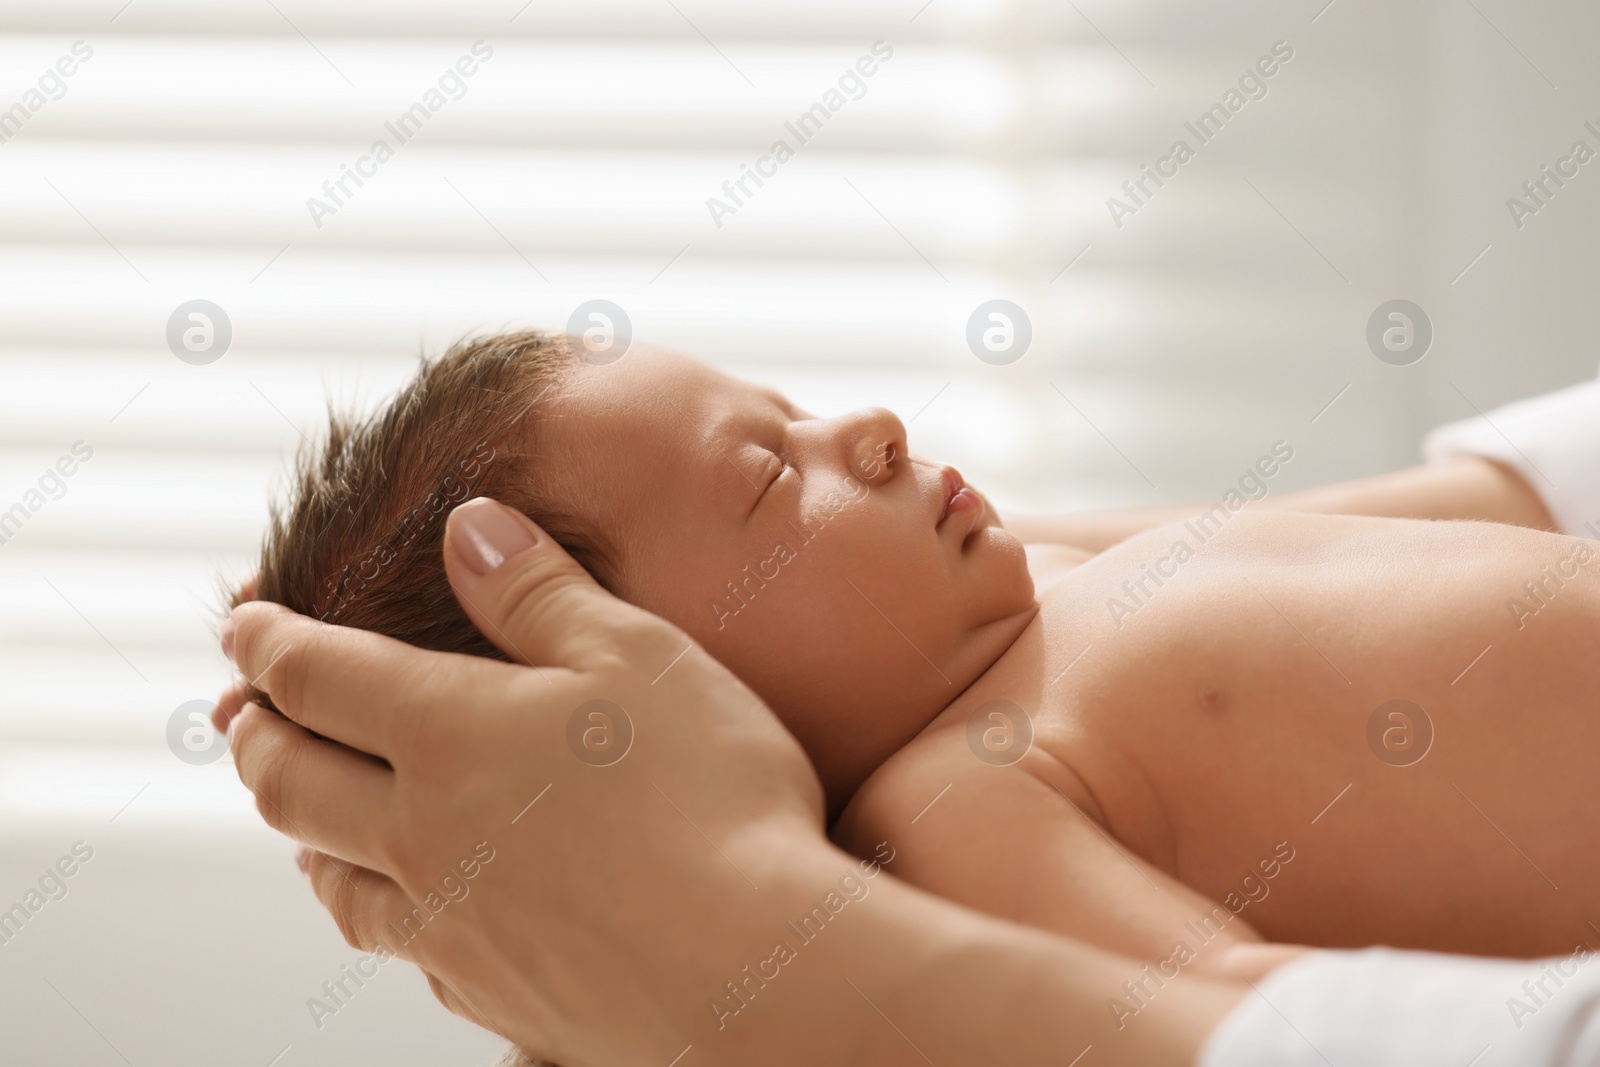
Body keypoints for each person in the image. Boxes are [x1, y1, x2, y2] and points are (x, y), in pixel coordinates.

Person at [220, 369, 1600, 1065]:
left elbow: (1506, 517)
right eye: (770, 478)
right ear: (684, 710)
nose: (870, 427)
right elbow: (1217, 1016)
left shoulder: (1049, 587)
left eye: (799, 410)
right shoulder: (957, 806)